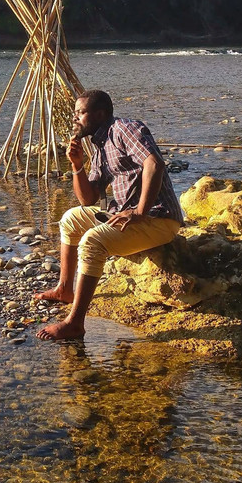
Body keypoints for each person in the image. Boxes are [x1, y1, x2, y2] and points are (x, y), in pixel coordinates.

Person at [35, 89, 183, 341]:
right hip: (127, 215)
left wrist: (139, 211)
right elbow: (89, 199)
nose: (75, 119)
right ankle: (64, 289)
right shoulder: (100, 145)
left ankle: (75, 323)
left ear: (100, 114)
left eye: (80, 113)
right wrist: (77, 166)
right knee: (71, 218)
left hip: (159, 219)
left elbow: (154, 163)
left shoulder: (125, 129)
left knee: (93, 240)